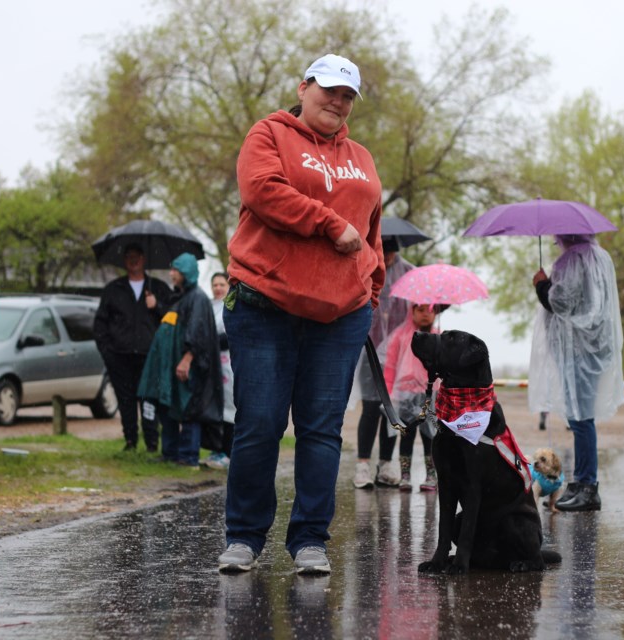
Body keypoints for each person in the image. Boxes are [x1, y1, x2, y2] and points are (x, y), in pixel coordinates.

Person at [218, 53, 384, 575]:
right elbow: (262, 191)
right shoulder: (269, 133)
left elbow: (371, 226)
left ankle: (310, 540)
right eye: (329, 90)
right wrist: (328, 224)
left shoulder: (361, 156)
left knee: (321, 430)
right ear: (304, 86)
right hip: (264, 306)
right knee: (261, 424)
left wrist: (371, 285)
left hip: (340, 317)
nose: (337, 101)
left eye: (347, 95)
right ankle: (244, 538)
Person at [528, 233, 624, 512]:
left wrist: (542, 284)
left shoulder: (572, 260)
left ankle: (587, 486)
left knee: (581, 418)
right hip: (593, 347)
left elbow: (560, 303)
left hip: (578, 351)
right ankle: (583, 483)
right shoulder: (600, 257)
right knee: (582, 416)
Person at [137, 253, 222, 467]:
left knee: (188, 410)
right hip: (171, 368)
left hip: (187, 367)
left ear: (186, 272)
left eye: (175, 269)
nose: (171, 273)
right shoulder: (181, 298)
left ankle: (187, 456)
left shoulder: (198, 298)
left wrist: (187, 359)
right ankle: (170, 452)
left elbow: (197, 332)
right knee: (170, 408)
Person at [93, 244, 172, 452]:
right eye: (128, 257)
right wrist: (107, 352)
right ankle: (130, 441)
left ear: (144, 259)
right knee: (125, 400)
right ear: (124, 261)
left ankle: (152, 442)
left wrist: (157, 307)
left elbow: (174, 318)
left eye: (137, 256)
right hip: (120, 357)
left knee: (148, 400)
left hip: (149, 357)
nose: (133, 260)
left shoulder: (158, 288)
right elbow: (100, 324)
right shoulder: (113, 290)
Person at [352, 239, 413, 489]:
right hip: (370, 349)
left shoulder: (408, 272)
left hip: (399, 352)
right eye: (383, 252)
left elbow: (424, 305)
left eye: (391, 253)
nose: (386, 257)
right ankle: (363, 465)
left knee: (392, 409)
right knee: (370, 407)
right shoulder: (365, 267)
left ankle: (386, 463)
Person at [383, 303, 443, 492]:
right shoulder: (400, 336)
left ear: (436, 313)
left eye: (430, 310)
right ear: (412, 312)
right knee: (406, 435)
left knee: (431, 437)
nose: (426, 314)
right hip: (405, 395)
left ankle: (431, 476)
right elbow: (391, 366)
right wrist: (388, 393)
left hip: (431, 394)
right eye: (420, 310)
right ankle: (405, 476)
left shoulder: (440, 337)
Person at [204, 271, 234, 470]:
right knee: (216, 408)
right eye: (215, 285)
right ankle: (217, 448)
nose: (218, 288)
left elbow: (229, 334)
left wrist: (212, 342)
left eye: (221, 284)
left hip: (228, 365)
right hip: (212, 365)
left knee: (230, 409)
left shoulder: (231, 305)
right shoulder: (208, 307)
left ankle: (229, 452)